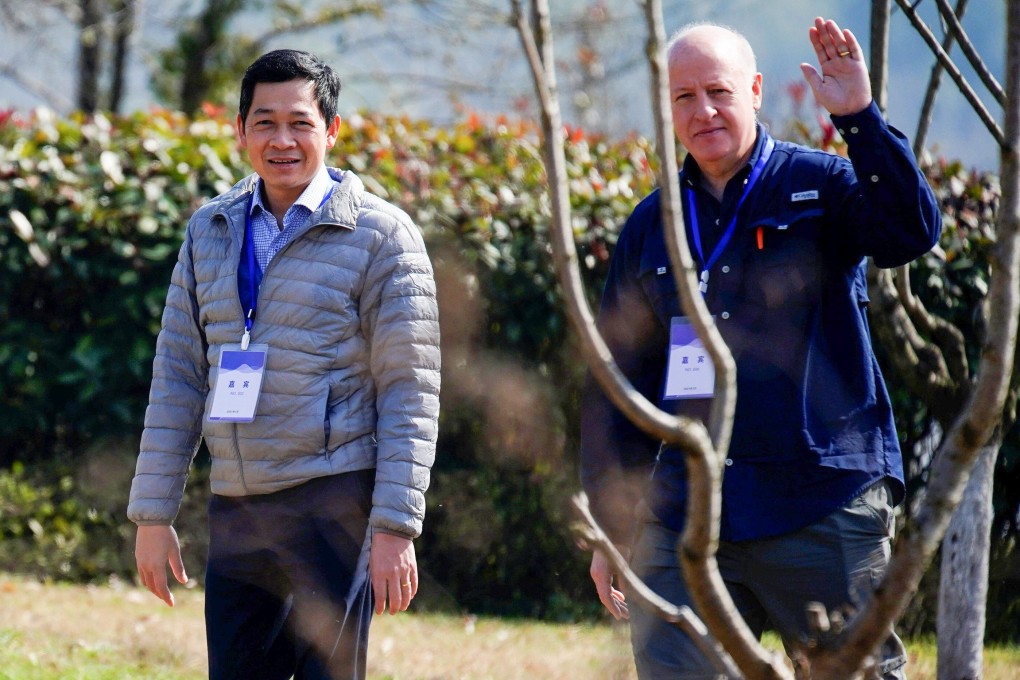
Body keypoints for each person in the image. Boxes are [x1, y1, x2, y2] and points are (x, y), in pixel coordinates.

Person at [580, 17, 941, 679]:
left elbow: (909, 233)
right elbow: (619, 385)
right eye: (683, 97)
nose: (703, 110)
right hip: (685, 516)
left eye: (717, 91)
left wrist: (858, 117)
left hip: (821, 501)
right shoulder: (651, 226)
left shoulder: (821, 187)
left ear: (753, 91)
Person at [127, 49, 441, 680]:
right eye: (264, 122)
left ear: (331, 130)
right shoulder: (209, 230)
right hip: (238, 506)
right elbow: (179, 378)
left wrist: (395, 526)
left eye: (300, 122)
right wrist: (153, 514)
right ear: (240, 131)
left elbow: (410, 389)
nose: (282, 140)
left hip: (334, 501)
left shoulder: (382, 236)